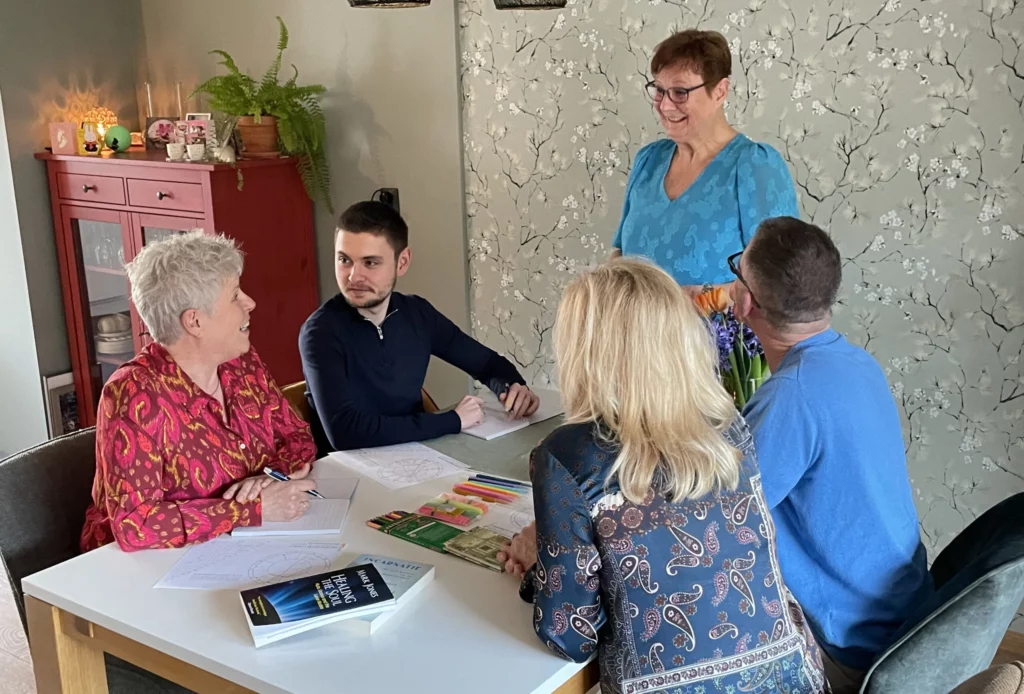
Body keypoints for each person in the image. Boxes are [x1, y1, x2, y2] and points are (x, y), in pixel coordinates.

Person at [502, 258, 826, 694]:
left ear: (585, 352)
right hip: (792, 677)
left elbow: (570, 637)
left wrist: (542, 566)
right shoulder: (728, 424)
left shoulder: (565, 455)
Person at [730, 217, 933, 691]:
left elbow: (713, 520)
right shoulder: (858, 364)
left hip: (849, 650)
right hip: (908, 620)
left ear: (745, 301)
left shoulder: (793, 396)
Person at [80, 231, 319, 554]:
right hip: (145, 573)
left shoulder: (241, 362)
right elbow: (136, 525)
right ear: (195, 321)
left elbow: (298, 438)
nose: (250, 303)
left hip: (238, 549)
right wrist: (253, 509)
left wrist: (268, 479)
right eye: (235, 295)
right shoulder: (134, 395)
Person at [300, 200, 540, 452]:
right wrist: (452, 420)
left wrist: (512, 389)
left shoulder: (417, 314)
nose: (353, 276)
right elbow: (346, 433)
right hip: (352, 473)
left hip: (417, 457)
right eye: (344, 260)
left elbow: (487, 364)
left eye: (370, 263)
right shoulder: (320, 333)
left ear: (402, 262)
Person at [612, 29, 799, 296]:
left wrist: (692, 302)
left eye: (680, 92)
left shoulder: (755, 166)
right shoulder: (648, 161)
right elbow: (620, 256)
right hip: (636, 336)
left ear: (720, 91)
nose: (665, 105)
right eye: (659, 90)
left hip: (713, 337)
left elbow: (782, 281)